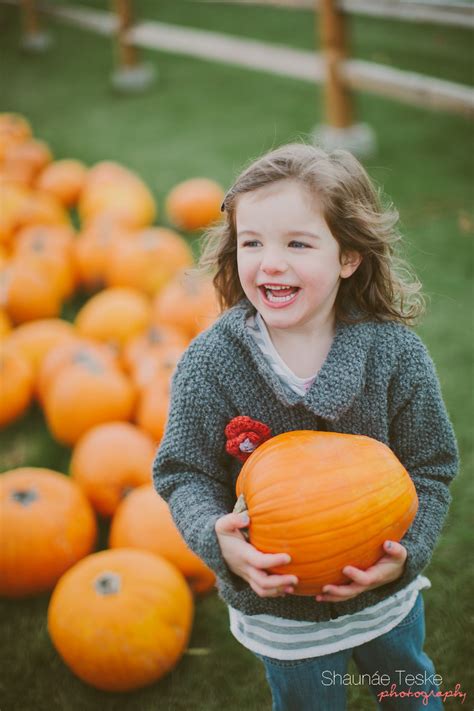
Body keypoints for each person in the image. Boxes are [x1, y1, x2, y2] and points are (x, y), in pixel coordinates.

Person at [152, 143, 458, 710]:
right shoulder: (211, 364)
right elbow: (183, 471)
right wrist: (221, 544)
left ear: (348, 256)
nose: (270, 262)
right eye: (253, 242)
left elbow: (432, 468)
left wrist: (406, 552)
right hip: (282, 613)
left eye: (297, 243)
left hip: (384, 598)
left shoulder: (396, 355)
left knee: (409, 693)